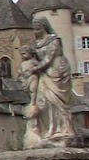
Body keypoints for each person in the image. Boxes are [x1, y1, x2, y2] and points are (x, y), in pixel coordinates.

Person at [22, 18, 77, 148]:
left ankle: (63, 130)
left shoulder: (54, 40)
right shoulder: (36, 44)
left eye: (38, 27)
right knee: (44, 101)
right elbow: (33, 58)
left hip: (57, 70)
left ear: (44, 27)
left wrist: (33, 69)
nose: (35, 30)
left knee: (57, 101)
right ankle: (49, 130)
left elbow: (49, 58)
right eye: (34, 28)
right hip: (43, 73)